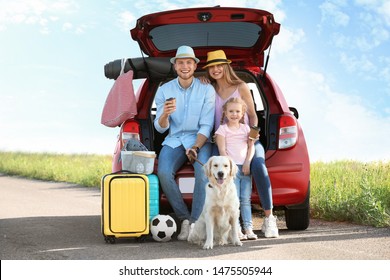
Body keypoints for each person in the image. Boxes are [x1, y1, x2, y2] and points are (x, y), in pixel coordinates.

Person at [203, 49, 279, 238]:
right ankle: (224, 225)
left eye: (219, 65)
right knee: (212, 170)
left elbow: (252, 115)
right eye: (212, 67)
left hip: (246, 139)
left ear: (226, 66)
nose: (216, 69)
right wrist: (201, 81)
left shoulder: (241, 86)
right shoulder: (210, 89)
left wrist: (252, 136)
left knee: (259, 167)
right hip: (222, 140)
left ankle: (269, 219)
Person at [154, 46, 215, 241]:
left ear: (195, 65)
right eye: (180, 62)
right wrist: (164, 114)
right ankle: (185, 220)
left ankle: (196, 222)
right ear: (175, 66)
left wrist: (196, 147)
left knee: (202, 172)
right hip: (174, 140)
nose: (185, 66)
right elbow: (160, 127)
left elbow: (207, 124)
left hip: (200, 139)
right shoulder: (165, 90)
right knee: (163, 172)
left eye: (189, 62)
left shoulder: (207, 88)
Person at [214, 97, 257, 240]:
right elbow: (222, 152)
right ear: (225, 113)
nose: (234, 114)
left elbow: (251, 147)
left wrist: (247, 163)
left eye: (237, 111)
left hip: (244, 168)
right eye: (231, 111)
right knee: (234, 200)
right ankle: (236, 229)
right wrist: (230, 169)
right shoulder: (222, 130)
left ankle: (248, 228)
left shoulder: (246, 129)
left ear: (243, 112)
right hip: (231, 171)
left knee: (245, 199)